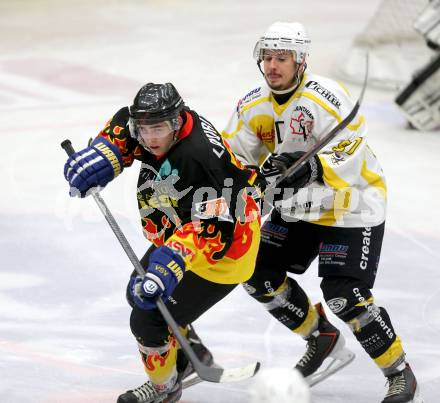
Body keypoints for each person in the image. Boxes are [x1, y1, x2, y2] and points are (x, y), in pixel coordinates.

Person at [222, 22, 422, 403]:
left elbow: (353, 144)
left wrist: (310, 167)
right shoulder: (252, 105)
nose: (272, 66)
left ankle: (399, 372)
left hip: (351, 202)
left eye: (282, 58)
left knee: (343, 293)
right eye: (267, 57)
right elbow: (236, 158)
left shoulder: (325, 96)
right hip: (298, 208)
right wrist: (240, 184)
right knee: (255, 272)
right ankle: (321, 338)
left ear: (300, 61)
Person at [63, 82, 262, 403]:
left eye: (159, 128)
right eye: (145, 128)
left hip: (225, 252)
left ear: (177, 121)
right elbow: (121, 132)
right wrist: (101, 159)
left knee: (148, 318)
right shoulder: (154, 127)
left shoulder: (199, 159)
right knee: (138, 290)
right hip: (182, 226)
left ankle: (164, 387)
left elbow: (212, 232)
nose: (152, 138)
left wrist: (168, 265)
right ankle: (189, 354)